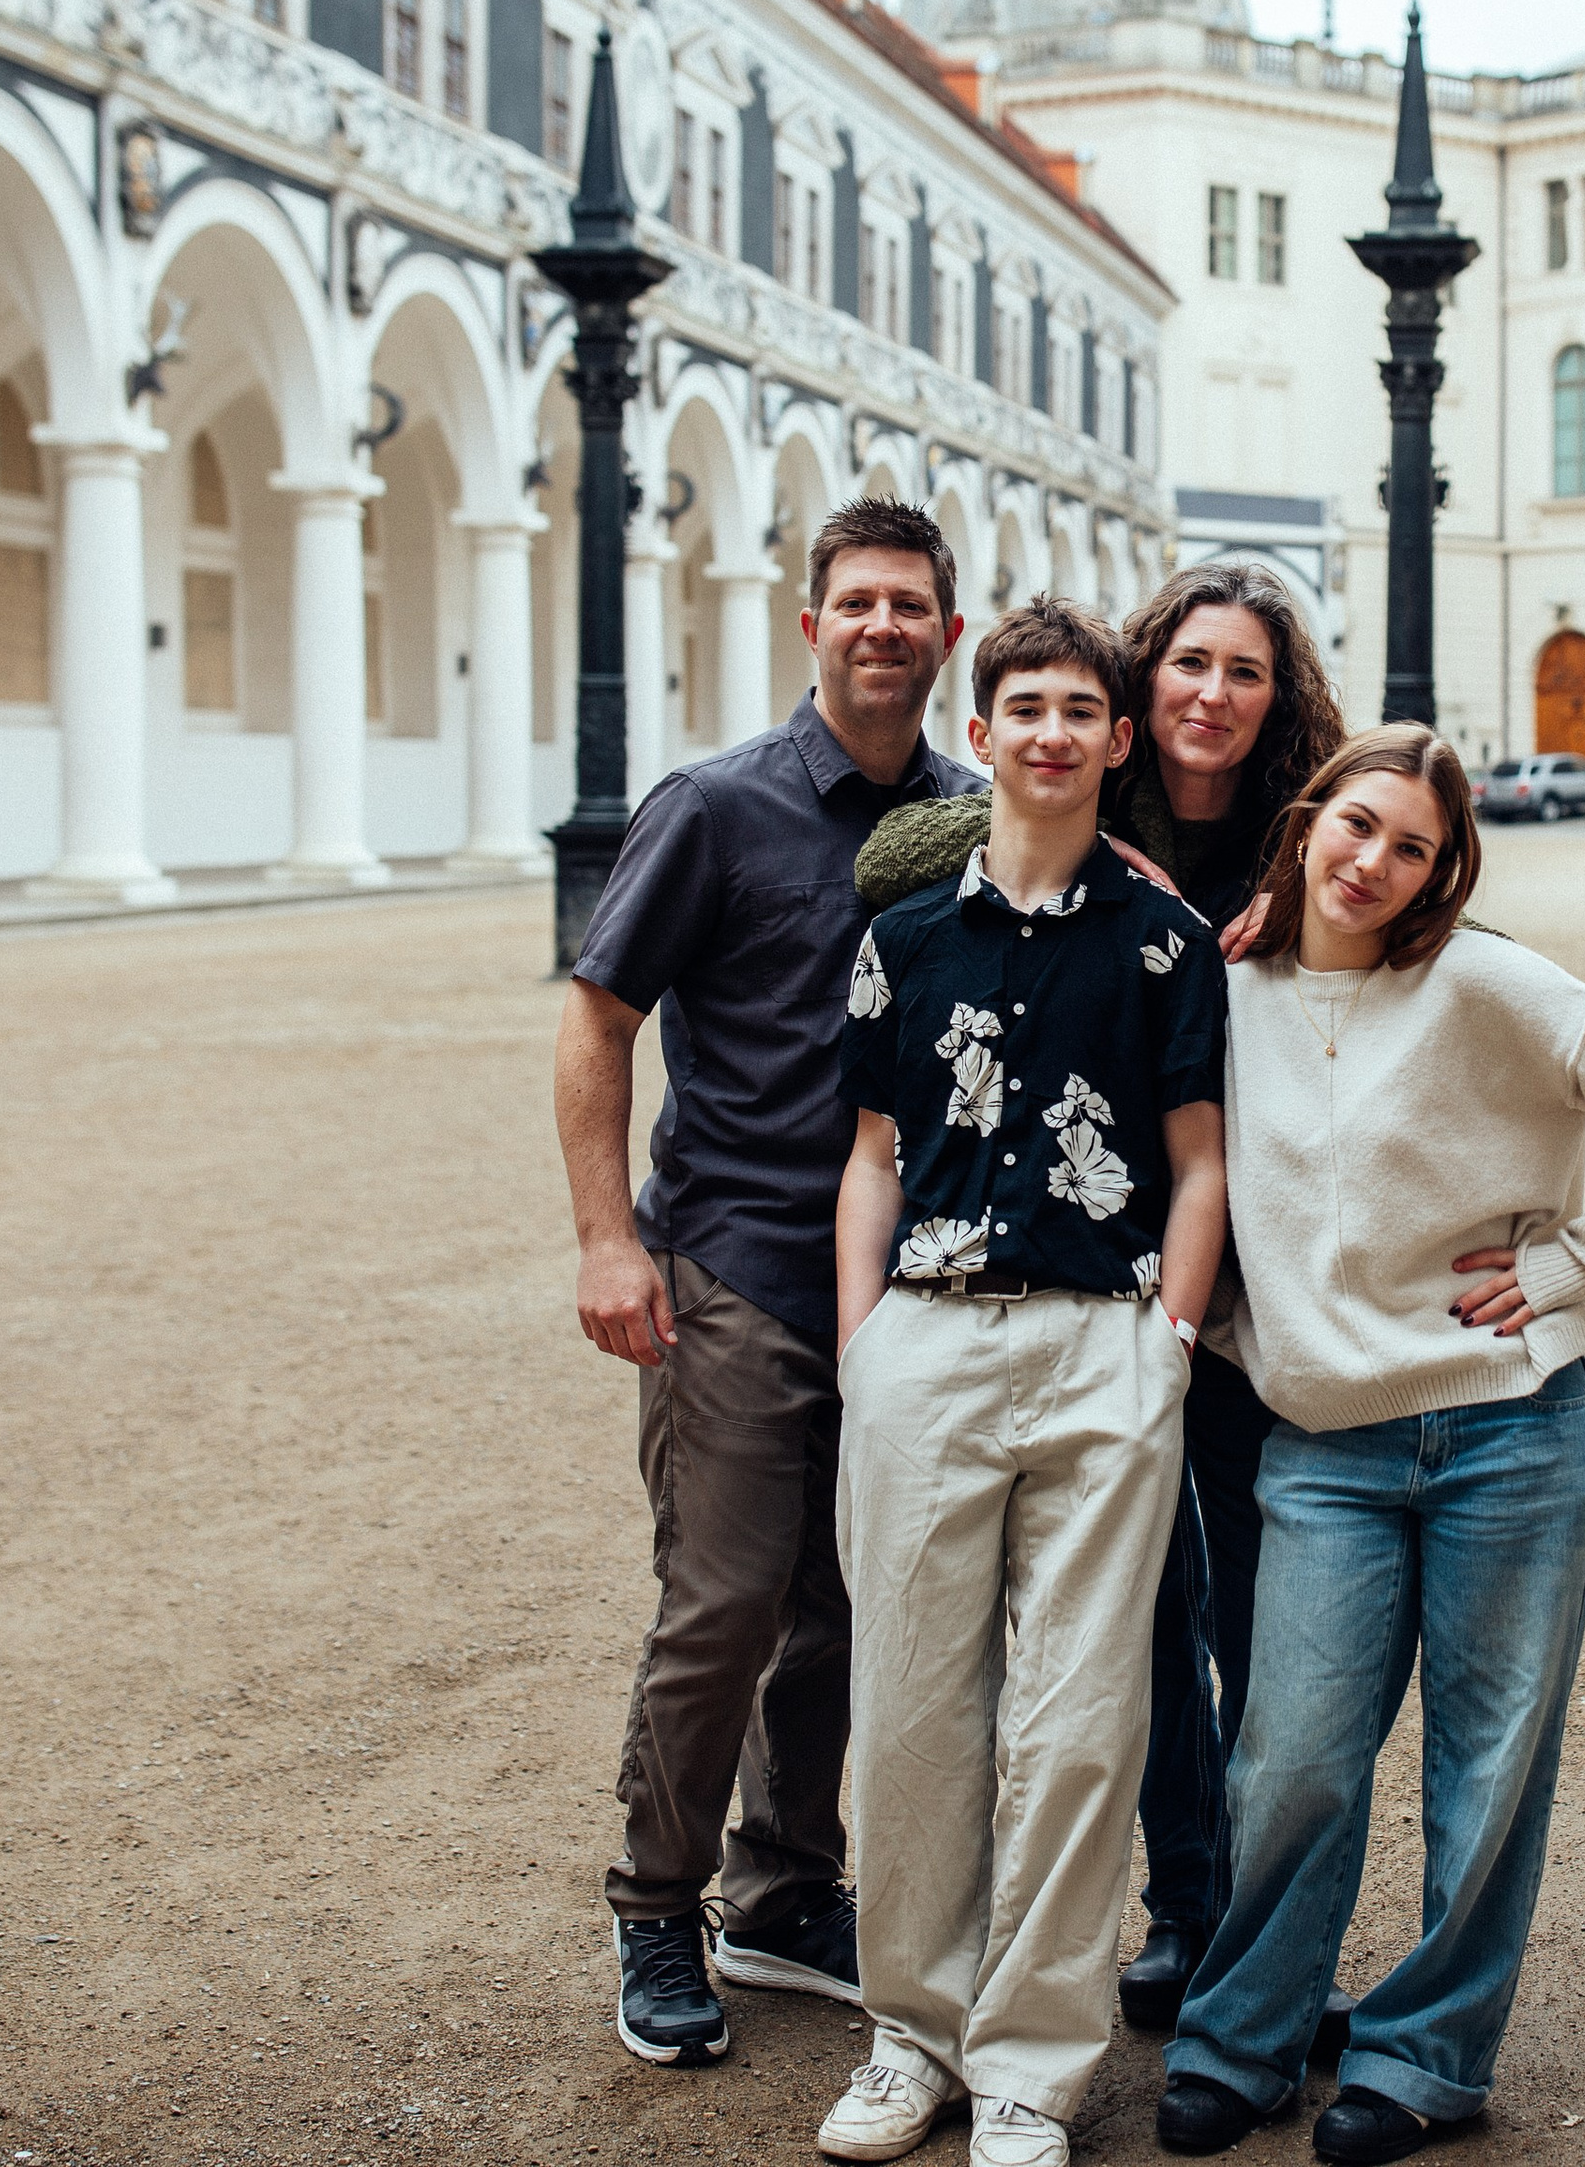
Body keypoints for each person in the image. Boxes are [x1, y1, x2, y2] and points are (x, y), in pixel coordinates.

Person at [1154, 727, 1585, 2164]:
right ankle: (1245, 2038)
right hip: (1325, 1448)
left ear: (1441, 871)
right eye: (1356, 826)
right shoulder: (1227, 987)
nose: (1373, 863)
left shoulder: (1477, 979)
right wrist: (1229, 1334)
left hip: (1507, 1433)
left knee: (1488, 1764)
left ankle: (1424, 2059)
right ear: (1306, 823)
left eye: (1410, 848)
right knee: (1290, 1758)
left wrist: (1574, 1262)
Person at [855, 562, 1345, 2030]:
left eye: (1245, 671)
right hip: (1096, 1279)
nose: (1212, 693)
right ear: (1146, 696)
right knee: (1136, 1620)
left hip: (1261, 1280)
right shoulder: (1082, 818)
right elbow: (907, 856)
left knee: (1263, 1623)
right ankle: (1183, 1907)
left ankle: (1268, 1942)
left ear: (1278, 699)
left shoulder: (1312, 834)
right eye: (1188, 663)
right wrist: (1096, 855)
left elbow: (1433, 930)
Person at [557, 497, 978, 2069]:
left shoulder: (970, 811)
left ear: (947, 632)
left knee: (846, 1607)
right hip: (731, 1266)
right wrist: (610, 1239)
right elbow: (600, 1017)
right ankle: (659, 1905)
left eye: (910, 604)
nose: (882, 626)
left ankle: (788, 1890)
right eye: (855, 602)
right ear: (812, 628)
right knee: (725, 1603)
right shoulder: (714, 809)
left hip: (908, 1291)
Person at [819, 597, 1231, 2167]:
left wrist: (1167, 1351)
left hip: (1103, 1349)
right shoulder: (904, 942)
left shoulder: (1165, 943)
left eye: (1083, 710)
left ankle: (1030, 2069)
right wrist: (863, 1342)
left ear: (1116, 743)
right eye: (1027, 708)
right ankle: (909, 2035)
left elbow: (1200, 1169)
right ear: (978, 735)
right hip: (925, 1341)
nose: (1053, 732)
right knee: (914, 1707)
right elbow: (866, 1160)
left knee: (1077, 1724)